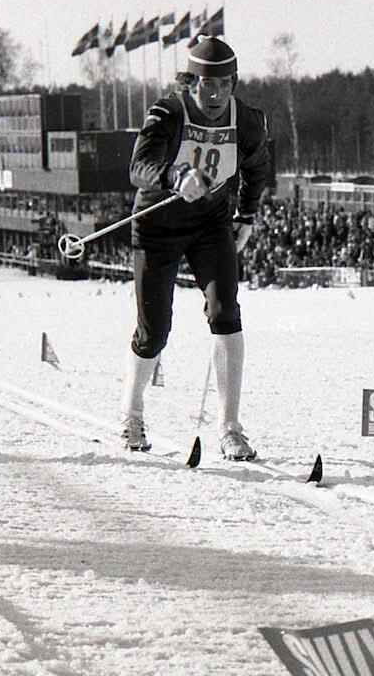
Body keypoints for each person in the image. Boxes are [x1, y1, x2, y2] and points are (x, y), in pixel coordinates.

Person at [120, 37, 271, 461]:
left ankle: (230, 428)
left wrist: (248, 215)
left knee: (226, 311)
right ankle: (132, 413)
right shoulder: (169, 112)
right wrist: (174, 175)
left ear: (233, 83)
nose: (216, 94)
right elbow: (139, 166)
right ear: (191, 82)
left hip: (210, 225)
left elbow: (258, 167)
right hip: (157, 226)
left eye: (224, 84)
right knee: (154, 330)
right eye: (207, 84)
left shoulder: (248, 120)